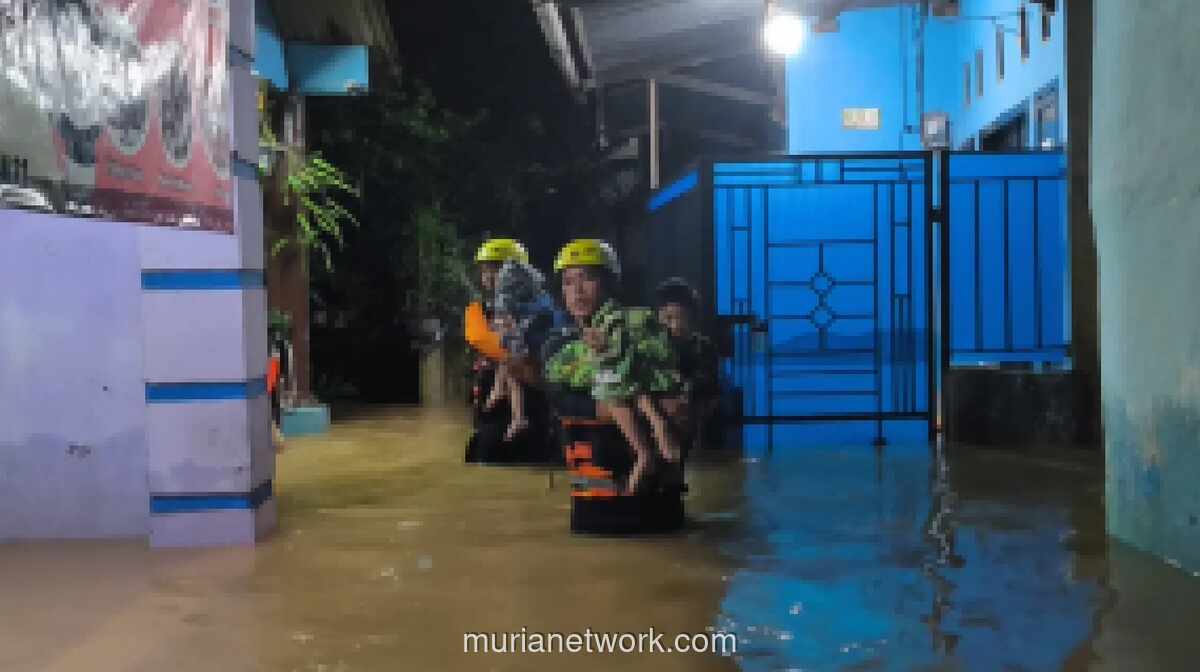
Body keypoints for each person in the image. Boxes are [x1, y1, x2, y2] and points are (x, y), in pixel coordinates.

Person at [544, 239, 682, 494]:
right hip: (596, 491)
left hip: (657, 499)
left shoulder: (637, 327)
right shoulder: (557, 342)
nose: (577, 290)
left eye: (587, 279)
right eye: (568, 282)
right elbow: (561, 399)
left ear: (608, 283)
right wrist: (641, 407)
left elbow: (682, 398)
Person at [655, 277, 721, 451]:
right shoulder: (651, 347)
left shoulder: (703, 347)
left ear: (692, 319)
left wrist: (686, 387)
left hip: (692, 406)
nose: (675, 325)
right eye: (668, 318)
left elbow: (709, 382)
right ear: (658, 317)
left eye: (681, 318)